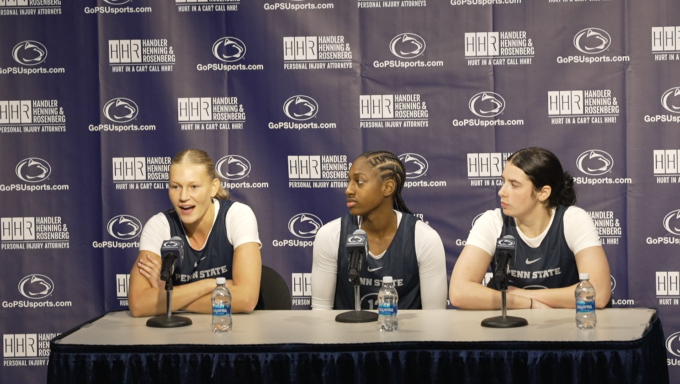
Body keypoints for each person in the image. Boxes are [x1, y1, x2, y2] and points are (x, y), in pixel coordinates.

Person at [449, 147, 611, 310]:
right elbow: (459, 292)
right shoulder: (493, 221)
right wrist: (529, 304)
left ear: (543, 193)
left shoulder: (573, 220)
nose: (502, 192)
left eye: (514, 185)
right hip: (509, 329)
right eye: (503, 181)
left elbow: (598, 293)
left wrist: (519, 293)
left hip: (565, 328)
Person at [128, 149, 262, 317]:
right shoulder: (158, 226)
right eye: (175, 186)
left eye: (194, 187)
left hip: (230, 330)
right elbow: (139, 304)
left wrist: (168, 299)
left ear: (213, 188)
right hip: (176, 336)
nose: (183, 196)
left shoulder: (237, 215)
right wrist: (210, 284)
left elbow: (246, 298)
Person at [311, 151, 448, 310]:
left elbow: (435, 318)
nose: (348, 190)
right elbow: (320, 313)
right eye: (348, 181)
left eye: (359, 181)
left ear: (388, 187)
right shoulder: (330, 235)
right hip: (346, 334)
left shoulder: (424, 238)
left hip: (408, 335)